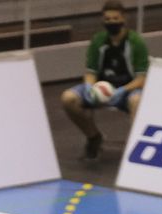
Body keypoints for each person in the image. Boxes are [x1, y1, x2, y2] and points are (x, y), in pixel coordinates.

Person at [60, 1, 148, 161]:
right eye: (108, 19)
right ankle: (94, 137)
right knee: (68, 98)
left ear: (124, 19)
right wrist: (89, 86)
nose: (112, 22)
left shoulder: (136, 42)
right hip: (100, 90)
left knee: (137, 101)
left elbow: (142, 79)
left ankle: (136, 149)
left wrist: (123, 90)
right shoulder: (98, 41)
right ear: (103, 20)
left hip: (127, 91)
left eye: (115, 18)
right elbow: (90, 72)